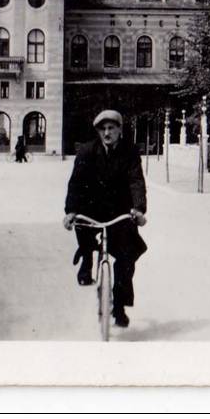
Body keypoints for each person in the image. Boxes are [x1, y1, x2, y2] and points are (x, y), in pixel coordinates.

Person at [63, 110, 148, 328]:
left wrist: (138, 209)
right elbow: (76, 183)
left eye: (111, 128)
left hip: (119, 210)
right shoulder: (87, 151)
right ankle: (87, 259)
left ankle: (119, 306)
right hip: (92, 206)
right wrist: (70, 211)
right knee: (82, 225)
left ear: (120, 130)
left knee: (127, 256)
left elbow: (136, 181)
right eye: (103, 129)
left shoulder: (129, 152)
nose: (107, 133)